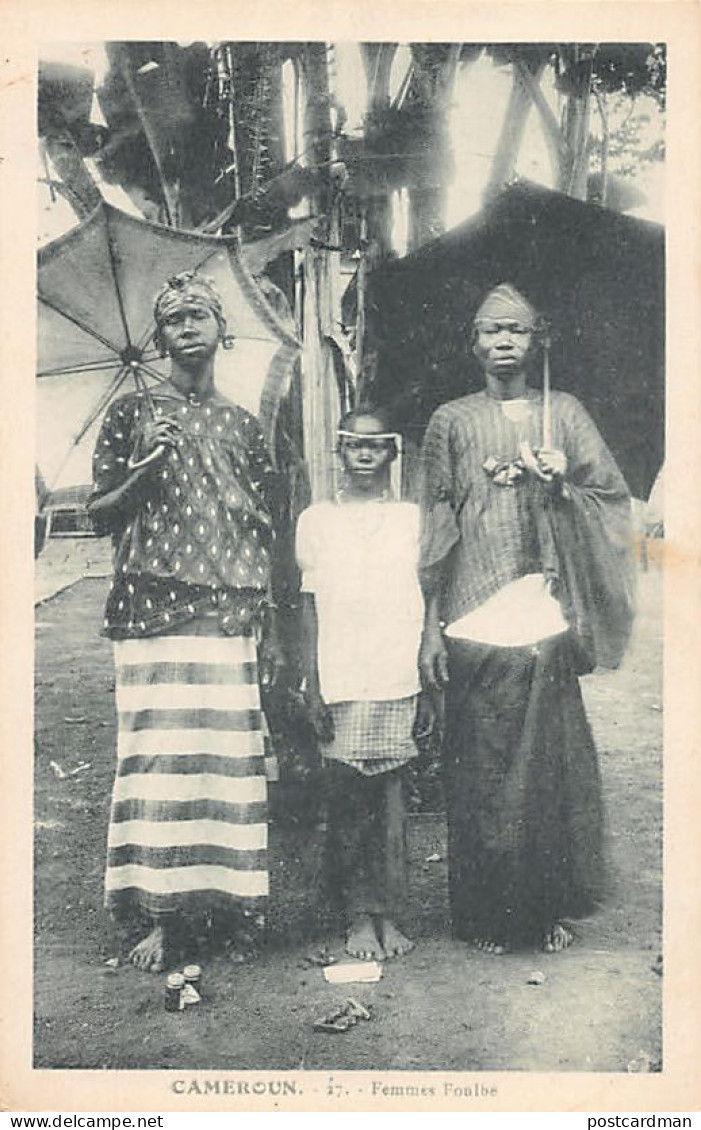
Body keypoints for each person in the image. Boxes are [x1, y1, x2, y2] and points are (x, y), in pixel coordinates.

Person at [418, 283, 635, 955]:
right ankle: (484, 914)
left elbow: (612, 501)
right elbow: (433, 524)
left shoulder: (562, 413)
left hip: (540, 611)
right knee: (480, 774)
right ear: (472, 344)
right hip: (470, 618)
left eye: (516, 329)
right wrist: (429, 624)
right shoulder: (448, 422)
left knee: (545, 773)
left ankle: (542, 909)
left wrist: (559, 486)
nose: (504, 341)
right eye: (490, 330)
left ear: (537, 340)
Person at [88, 271, 282, 972]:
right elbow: (99, 515)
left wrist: (269, 622)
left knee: (225, 768)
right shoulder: (130, 415)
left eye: (200, 315)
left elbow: (266, 525)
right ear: (161, 338)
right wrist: (145, 464)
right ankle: (162, 916)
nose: (189, 328)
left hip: (230, 612)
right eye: (175, 320)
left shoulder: (242, 424)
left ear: (220, 330)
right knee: (160, 764)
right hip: (151, 611)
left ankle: (227, 909)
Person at [296, 408, 431, 960]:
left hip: (396, 672)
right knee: (348, 798)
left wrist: (426, 676)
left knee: (393, 802)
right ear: (340, 452)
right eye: (354, 444)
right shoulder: (317, 520)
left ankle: (390, 914)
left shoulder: (410, 518)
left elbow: (425, 596)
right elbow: (308, 603)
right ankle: (356, 916)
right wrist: (311, 682)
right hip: (341, 674)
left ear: (393, 453)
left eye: (377, 445)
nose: (366, 453)